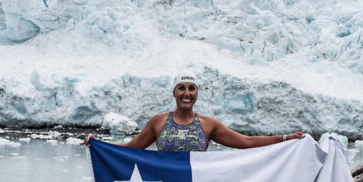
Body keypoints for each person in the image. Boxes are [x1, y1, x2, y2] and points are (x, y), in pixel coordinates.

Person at [86, 74, 305, 151]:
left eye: (192, 89)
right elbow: (132, 148)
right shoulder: (159, 122)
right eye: (181, 88)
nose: (186, 93)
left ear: (197, 93)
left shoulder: (208, 125)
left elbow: (246, 142)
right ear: (174, 92)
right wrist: (99, 145)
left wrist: (286, 138)